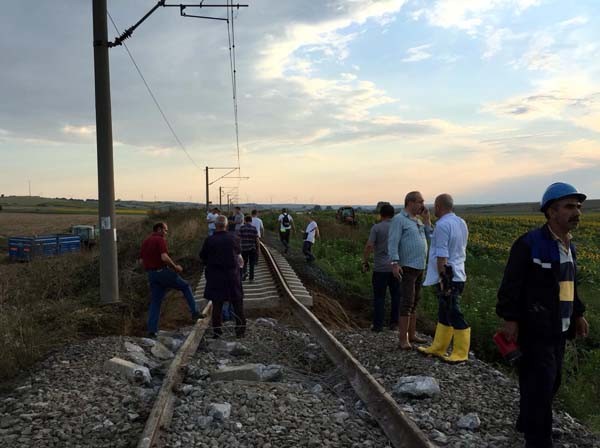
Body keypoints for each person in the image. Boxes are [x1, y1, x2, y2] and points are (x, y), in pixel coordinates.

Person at [496, 182, 589, 448]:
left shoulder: (569, 247)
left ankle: (527, 422)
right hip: (534, 327)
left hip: (559, 327)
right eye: (570, 206)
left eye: (579, 207)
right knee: (541, 384)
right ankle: (538, 440)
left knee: (549, 380)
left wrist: (578, 314)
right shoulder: (529, 244)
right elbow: (510, 284)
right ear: (551, 211)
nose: (577, 212)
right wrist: (510, 319)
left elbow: (570, 285)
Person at [417, 194, 469, 362]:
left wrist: (443, 280)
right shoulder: (460, 223)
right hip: (459, 274)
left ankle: (461, 353)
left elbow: (442, 256)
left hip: (448, 277)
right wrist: (427, 224)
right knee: (444, 311)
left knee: (454, 312)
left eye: (434, 206)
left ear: (439, 206)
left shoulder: (443, 226)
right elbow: (444, 243)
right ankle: (438, 347)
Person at [139, 222, 199, 338]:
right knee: (185, 286)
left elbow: (141, 261)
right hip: (162, 271)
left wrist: (151, 268)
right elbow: (164, 257)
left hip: (151, 274)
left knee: (156, 302)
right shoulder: (159, 239)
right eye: (165, 230)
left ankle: (152, 331)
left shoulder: (146, 241)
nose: (166, 233)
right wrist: (175, 267)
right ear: (159, 229)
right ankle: (195, 312)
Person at [388, 191, 432, 349]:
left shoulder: (417, 221)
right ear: (410, 202)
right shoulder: (399, 220)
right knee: (407, 301)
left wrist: (427, 220)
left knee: (415, 301)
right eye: (420, 201)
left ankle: (412, 335)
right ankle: (402, 339)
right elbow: (392, 242)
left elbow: (430, 236)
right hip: (407, 266)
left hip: (420, 266)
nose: (423, 204)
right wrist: (394, 262)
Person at [199, 215, 246, 338]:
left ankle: (217, 332)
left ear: (215, 225)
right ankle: (240, 331)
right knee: (237, 302)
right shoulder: (234, 238)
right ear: (226, 225)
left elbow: (203, 257)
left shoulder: (209, 240)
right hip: (232, 276)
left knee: (217, 304)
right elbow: (238, 254)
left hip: (215, 276)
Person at [362, 203, 399, 332]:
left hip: (380, 269)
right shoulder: (398, 228)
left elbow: (369, 246)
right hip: (396, 268)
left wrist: (365, 261)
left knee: (379, 297)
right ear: (393, 215)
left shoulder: (376, 228)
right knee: (396, 297)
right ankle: (394, 324)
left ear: (381, 214)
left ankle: (378, 325)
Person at [239, 215, 259, 281]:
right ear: (251, 221)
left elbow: (238, 238)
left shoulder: (241, 228)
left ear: (245, 220)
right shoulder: (254, 228)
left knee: (244, 262)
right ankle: (251, 278)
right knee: (252, 263)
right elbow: (257, 240)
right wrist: (258, 249)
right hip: (252, 248)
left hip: (244, 248)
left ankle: (244, 273)